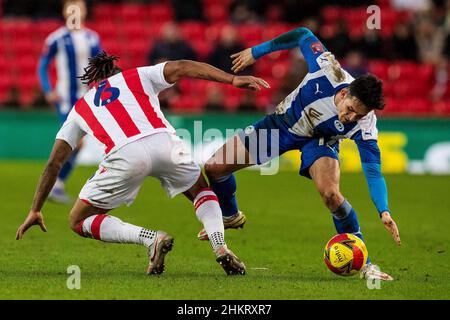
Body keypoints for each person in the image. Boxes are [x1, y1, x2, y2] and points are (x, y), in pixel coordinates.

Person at [17, 52, 270, 275]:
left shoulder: (80, 107)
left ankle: (152, 238)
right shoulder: (137, 75)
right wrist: (232, 80)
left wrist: (35, 209)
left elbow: (54, 163)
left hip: (125, 155)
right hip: (165, 144)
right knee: (200, 190)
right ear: (118, 72)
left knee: (77, 220)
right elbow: (182, 66)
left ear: (94, 82)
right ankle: (220, 245)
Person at [198, 27, 401, 281]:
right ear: (343, 92)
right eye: (350, 109)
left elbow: (372, 170)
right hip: (280, 126)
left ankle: (366, 264)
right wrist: (256, 51)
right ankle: (230, 215)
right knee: (215, 167)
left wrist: (383, 210)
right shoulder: (328, 69)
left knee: (331, 194)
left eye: (357, 115)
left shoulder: (365, 123)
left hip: (318, 142)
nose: (351, 118)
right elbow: (303, 34)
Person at [37, 0, 102, 203]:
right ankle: (56, 184)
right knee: (77, 142)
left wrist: (100, 86)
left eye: (79, 6)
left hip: (86, 98)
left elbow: (100, 65)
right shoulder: (57, 38)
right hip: (65, 98)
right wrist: (48, 90)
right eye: (71, 7)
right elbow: (43, 66)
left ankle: (56, 183)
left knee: (78, 144)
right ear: (65, 12)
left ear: (84, 11)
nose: (75, 10)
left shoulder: (92, 37)